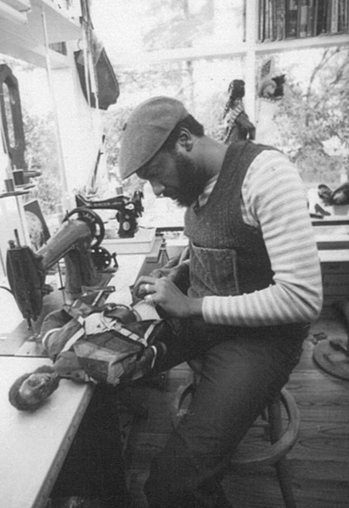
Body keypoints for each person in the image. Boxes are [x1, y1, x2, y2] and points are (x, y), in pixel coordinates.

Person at [118, 96, 323, 508]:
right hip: (205, 322)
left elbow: (303, 299)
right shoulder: (194, 185)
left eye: (155, 174)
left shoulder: (266, 175)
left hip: (261, 341)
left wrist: (192, 307)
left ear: (185, 140)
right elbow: (215, 246)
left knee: (171, 486)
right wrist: (178, 273)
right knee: (108, 362)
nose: (156, 190)